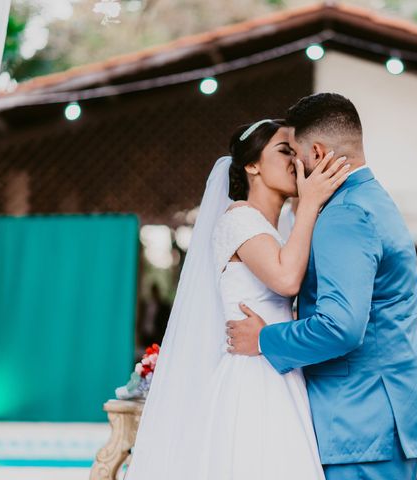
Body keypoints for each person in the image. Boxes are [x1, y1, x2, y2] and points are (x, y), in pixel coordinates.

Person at [227, 93, 417, 480]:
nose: (294, 164)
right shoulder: (372, 198)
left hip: (359, 419)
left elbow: (340, 326)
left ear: (319, 152)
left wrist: (264, 339)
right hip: (379, 412)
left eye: (294, 152)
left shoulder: (344, 215)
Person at [124, 117, 349, 479]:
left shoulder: (280, 229)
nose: (296, 160)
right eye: (284, 150)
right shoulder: (239, 219)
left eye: (297, 152)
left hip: (280, 364)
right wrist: (310, 202)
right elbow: (287, 279)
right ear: (252, 165)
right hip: (252, 377)